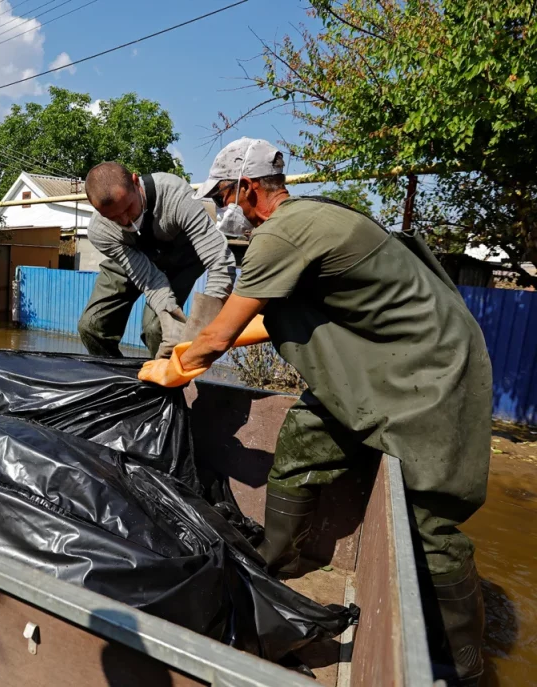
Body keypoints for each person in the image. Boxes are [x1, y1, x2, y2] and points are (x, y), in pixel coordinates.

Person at [141, 137, 492, 686]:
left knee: (428, 515)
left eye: (225, 192)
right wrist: (201, 349)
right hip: (380, 361)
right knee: (305, 435)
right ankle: (283, 559)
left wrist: (173, 366)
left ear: (248, 188)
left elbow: (217, 335)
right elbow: (259, 323)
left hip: (431, 366)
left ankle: (464, 663)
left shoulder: (280, 235)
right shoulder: (302, 222)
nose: (221, 204)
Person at [77, 162, 236, 359]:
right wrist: (164, 306)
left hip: (181, 257)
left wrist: (204, 327)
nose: (126, 220)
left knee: (156, 329)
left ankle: (169, 383)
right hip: (132, 257)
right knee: (91, 327)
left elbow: (218, 258)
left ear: (135, 182)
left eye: (128, 208)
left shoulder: (174, 194)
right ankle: (120, 384)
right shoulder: (100, 230)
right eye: (114, 218)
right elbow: (148, 277)